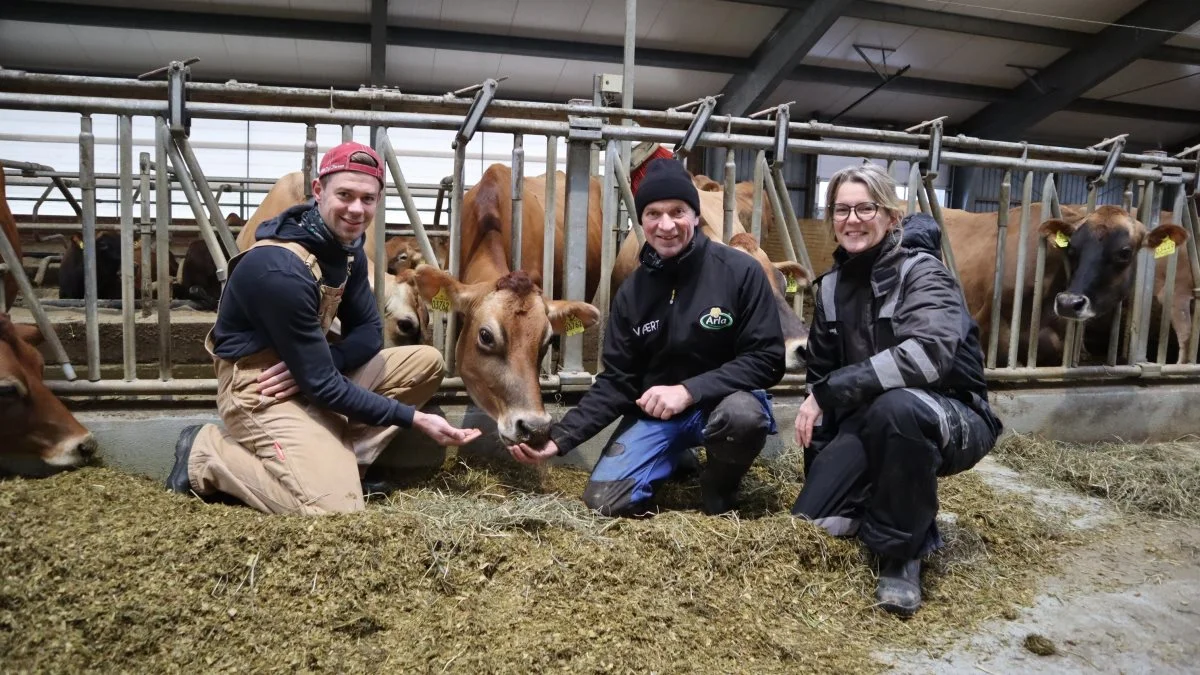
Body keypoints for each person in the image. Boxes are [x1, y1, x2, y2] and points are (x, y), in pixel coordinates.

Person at [165, 142, 480, 515]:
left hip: (310, 373)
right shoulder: (280, 268)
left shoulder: (347, 251)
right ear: (318, 191)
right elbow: (325, 385)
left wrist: (325, 361)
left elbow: (367, 331)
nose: (356, 209)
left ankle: (346, 463)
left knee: (427, 360)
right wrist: (412, 417)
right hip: (260, 388)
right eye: (344, 195)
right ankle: (205, 453)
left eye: (367, 198)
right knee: (333, 511)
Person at [506, 158, 786, 516]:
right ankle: (675, 456)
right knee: (603, 504)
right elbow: (618, 382)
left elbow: (766, 359)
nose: (666, 225)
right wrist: (559, 439)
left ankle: (721, 487)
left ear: (696, 216)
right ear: (642, 220)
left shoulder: (739, 272)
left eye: (677, 212)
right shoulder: (632, 293)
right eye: (653, 213)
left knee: (743, 417)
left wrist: (688, 392)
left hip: (721, 404)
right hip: (659, 417)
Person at [791, 163, 1003, 617]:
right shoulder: (829, 289)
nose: (852, 219)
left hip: (952, 416)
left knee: (897, 407)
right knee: (814, 522)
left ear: (891, 216)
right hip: (874, 421)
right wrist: (823, 466)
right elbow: (821, 380)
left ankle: (902, 555)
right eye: (842, 209)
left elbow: (926, 357)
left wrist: (831, 391)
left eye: (865, 208)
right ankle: (878, 501)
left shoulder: (924, 274)